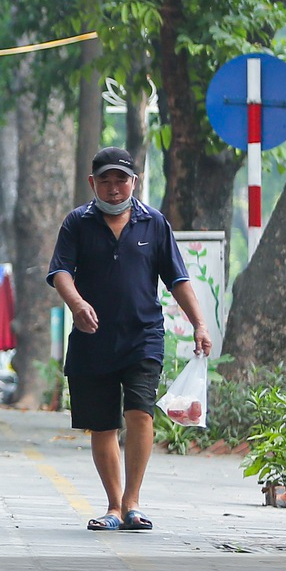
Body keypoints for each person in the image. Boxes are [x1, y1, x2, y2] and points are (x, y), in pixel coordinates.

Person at [46, 148, 214, 533]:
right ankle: (113, 506)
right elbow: (60, 272)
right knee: (103, 425)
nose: (113, 187)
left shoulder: (154, 224)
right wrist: (77, 304)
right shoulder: (77, 223)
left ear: (133, 182)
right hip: (92, 338)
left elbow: (178, 280)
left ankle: (132, 502)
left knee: (139, 412)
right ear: (93, 183)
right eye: (105, 180)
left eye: (121, 179)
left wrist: (199, 324)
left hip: (143, 335)